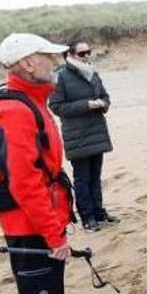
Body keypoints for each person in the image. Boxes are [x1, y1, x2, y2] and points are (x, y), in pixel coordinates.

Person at [0, 33, 97, 294]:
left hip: (41, 220)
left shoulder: (30, 102)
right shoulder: (12, 110)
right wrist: (53, 234)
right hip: (29, 226)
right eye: (48, 56)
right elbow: (25, 184)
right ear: (27, 63)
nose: (56, 62)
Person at [49, 42, 118, 233]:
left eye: (89, 52)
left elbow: (106, 97)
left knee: (95, 176)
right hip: (76, 135)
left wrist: (102, 104)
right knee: (82, 178)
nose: (87, 56)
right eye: (82, 53)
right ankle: (87, 218)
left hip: (97, 131)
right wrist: (86, 105)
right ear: (70, 55)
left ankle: (99, 213)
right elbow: (56, 106)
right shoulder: (61, 76)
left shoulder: (93, 72)